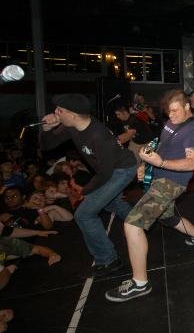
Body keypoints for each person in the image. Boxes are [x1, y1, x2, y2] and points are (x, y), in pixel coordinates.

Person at [105, 89, 194, 303]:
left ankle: (140, 283)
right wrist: (146, 165)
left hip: (171, 184)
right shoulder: (172, 123)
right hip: (159, 178)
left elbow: (191, 163)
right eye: (168, 111)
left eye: (175, 111)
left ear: (187, 106)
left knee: (132, 225)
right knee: (168, 218)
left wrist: (160, 163)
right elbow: (162, 147)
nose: (171, 115)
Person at [40, 94, 136, 276]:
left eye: (60, 110)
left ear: (73, 114)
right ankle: (140, 222)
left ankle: (108, 260)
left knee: (84, 214)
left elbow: (106, 173)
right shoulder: (72, 126)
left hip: (122, 170)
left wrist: (85, 191)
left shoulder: (98, 136)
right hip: (109, 171)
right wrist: (46, 128)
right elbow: (46, 146)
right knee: (112, 203)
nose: (55, 113)